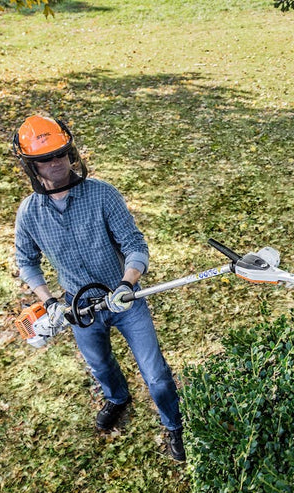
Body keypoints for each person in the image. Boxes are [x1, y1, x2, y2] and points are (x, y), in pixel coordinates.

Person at [13, 114, 186, 461]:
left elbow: (135, 245)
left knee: (156, 376)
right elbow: (26, 262)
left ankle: (175, 425)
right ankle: (118, 398)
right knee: (102, 367)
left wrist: (127, 283)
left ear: (71, 152)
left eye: (61, 153)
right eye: (45, 158)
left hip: (125, 301)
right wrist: (49, 303)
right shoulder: (29, 213)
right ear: (31, 166)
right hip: (79, 310)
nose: (56, 162)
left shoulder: (103, 195)